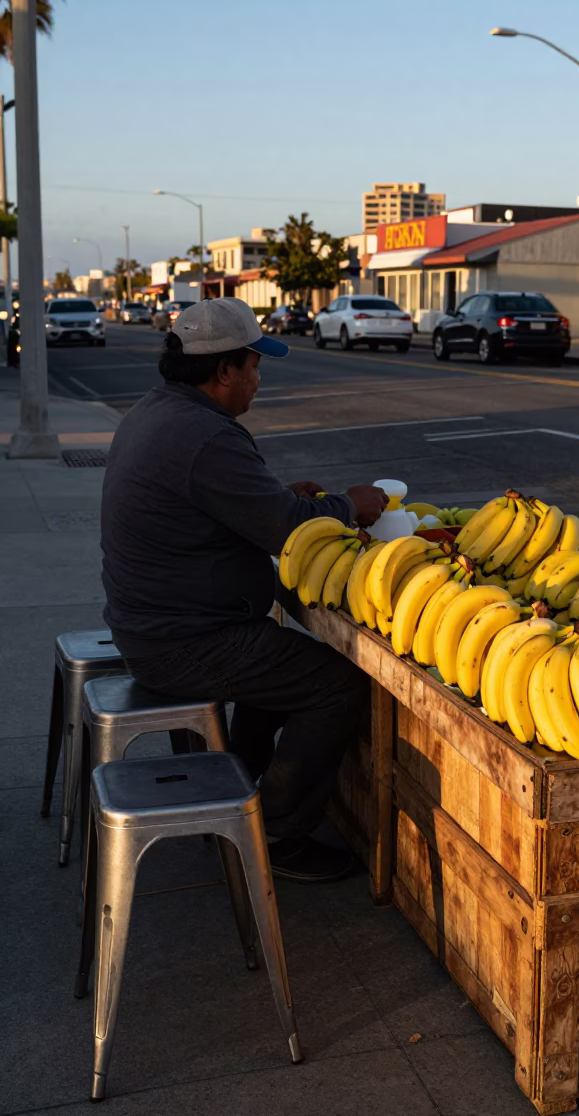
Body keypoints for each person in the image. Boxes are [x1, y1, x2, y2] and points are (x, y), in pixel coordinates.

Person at [100, 296, 388, 881]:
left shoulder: (159, 411)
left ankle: (239, 783)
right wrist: (348, 506)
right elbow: (286, 529)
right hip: (183, 641)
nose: (259, 379)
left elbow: (223, 503)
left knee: (280, 660)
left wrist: (281, 496)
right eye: (254, 366)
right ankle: (280, 833)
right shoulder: (206, 436)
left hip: (160, 623)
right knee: (335, 683)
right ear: (224, 371)